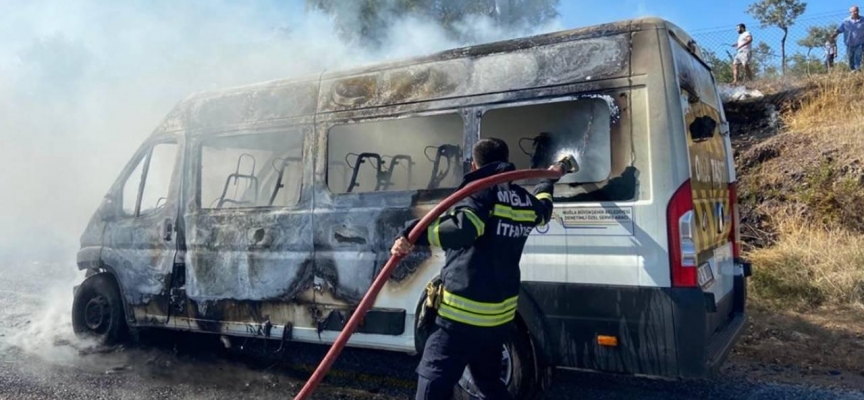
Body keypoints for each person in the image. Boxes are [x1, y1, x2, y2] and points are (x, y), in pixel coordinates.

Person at [390, 138, 559, 400]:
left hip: (460, 318)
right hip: (498, 319)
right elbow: (544, 209)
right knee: (489, 382)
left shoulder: (481, 191)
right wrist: (548, 181)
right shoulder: (523, 200)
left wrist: (413, 235)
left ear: (474, 163)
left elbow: (464, 229)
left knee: (433, 378)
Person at [831, 5, 864, 71]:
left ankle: (858, 71)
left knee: (858, 57)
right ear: (850, 12)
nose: (855, 12)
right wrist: (833, 36)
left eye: (856, 11)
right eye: (853, 11)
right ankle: (853, 71)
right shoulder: (846, 21)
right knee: (850, 58)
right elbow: (839, 30)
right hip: (849, 43)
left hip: (860, 43)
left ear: (858, 11)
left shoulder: (863, 20)